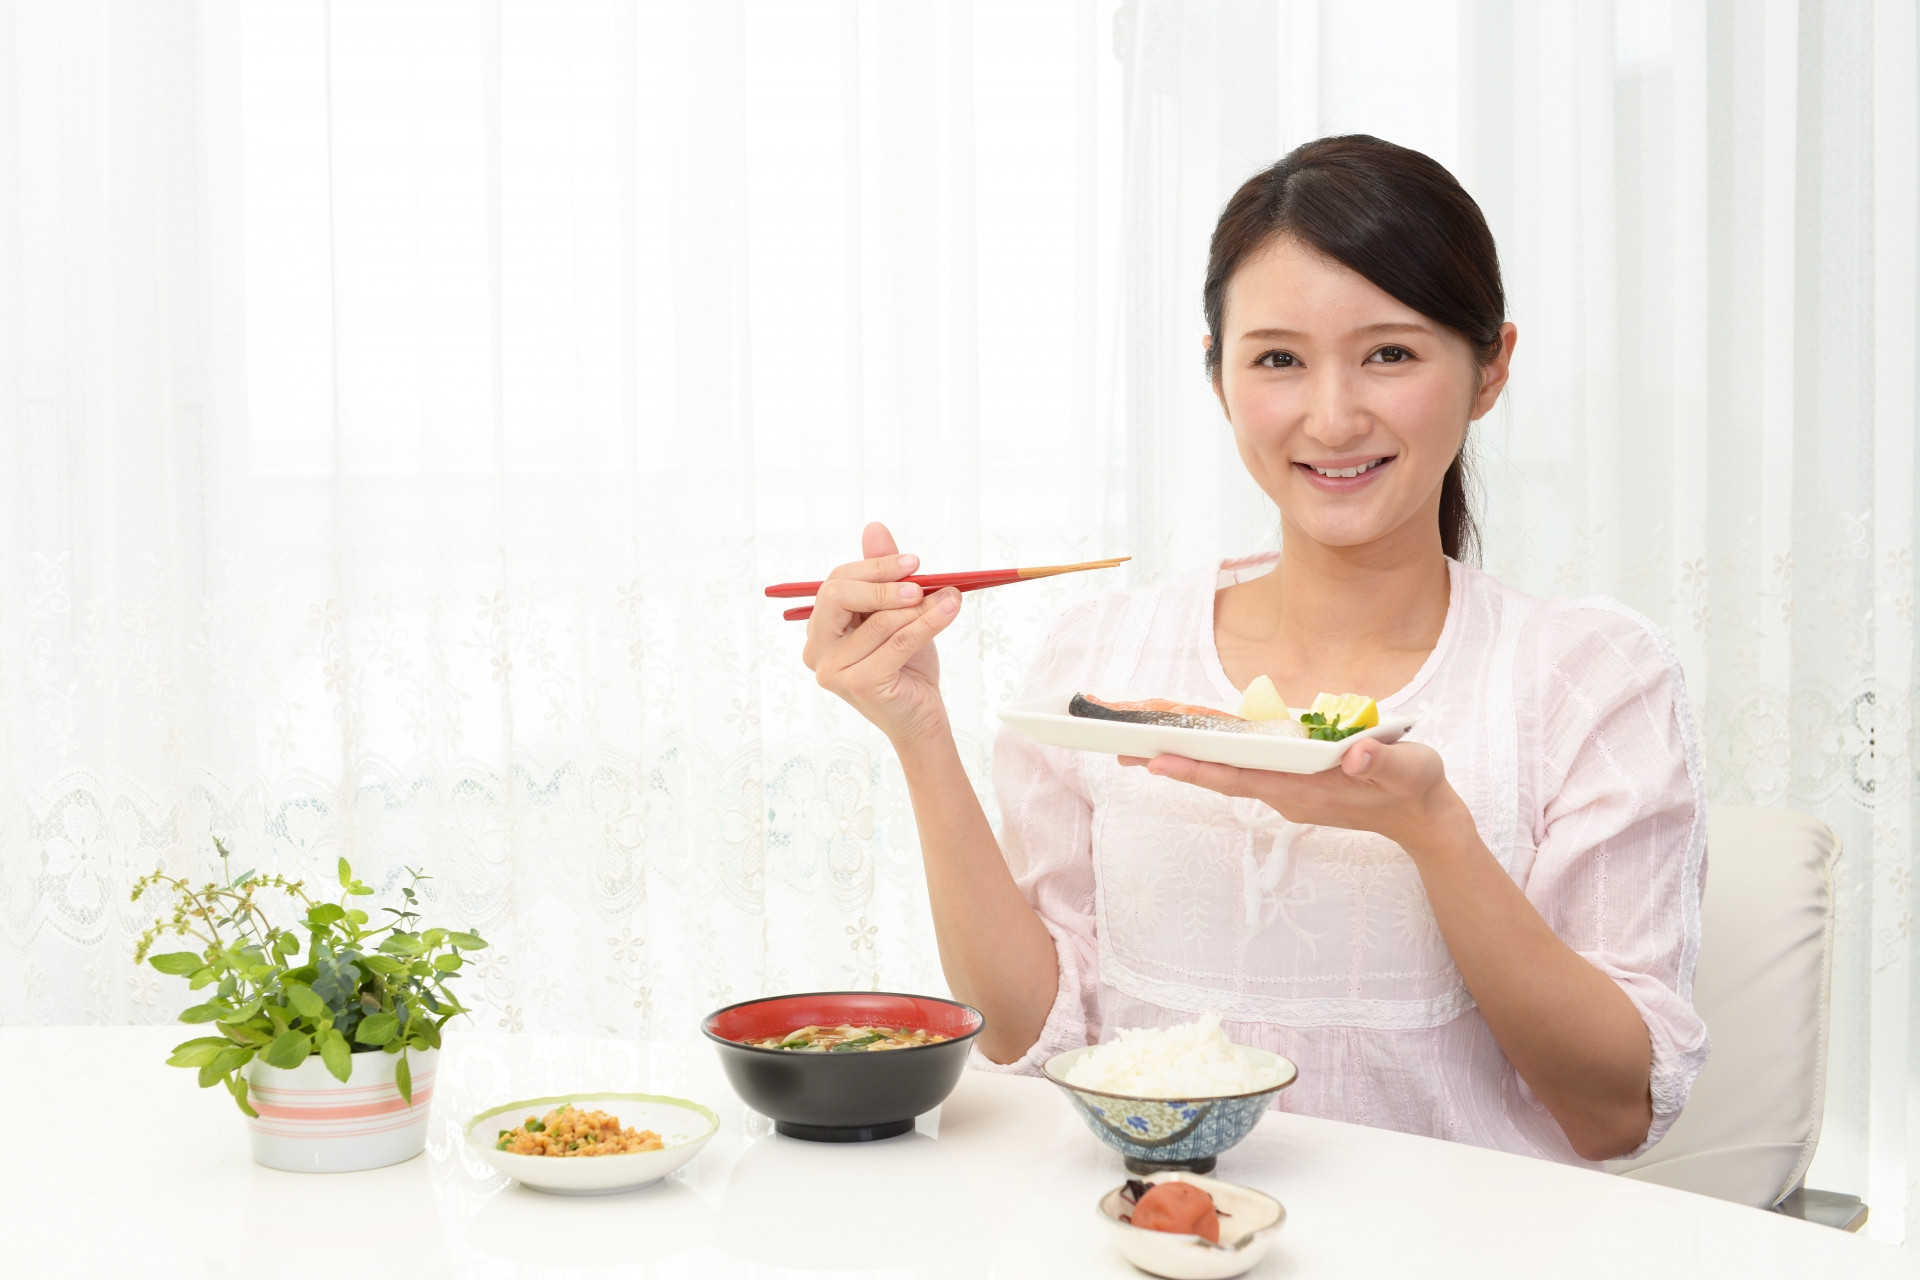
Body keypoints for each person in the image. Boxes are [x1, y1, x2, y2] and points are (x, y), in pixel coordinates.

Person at [802, 135, 1707, 1166]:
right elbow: (1021, 1030)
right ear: (1219, 376)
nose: (1332, 414)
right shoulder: (1104, 655)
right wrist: (917, 728)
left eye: (1391, 353)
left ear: (1491, 366)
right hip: (1155, 1233)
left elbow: (1614, 1110)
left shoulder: (1589, 678)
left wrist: (1434, 830)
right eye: (1279, 358)